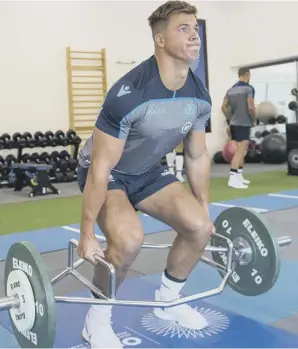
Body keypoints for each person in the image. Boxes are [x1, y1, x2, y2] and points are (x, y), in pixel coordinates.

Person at [76, 1, 215, 347]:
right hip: (108, 173)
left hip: (147, 171)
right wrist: (87, 233)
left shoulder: (198, 94)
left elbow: (197, 157)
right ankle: (96, 319)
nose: (193, 34)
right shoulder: (129, 93)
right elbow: (101, 166)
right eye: (182, 28)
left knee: (200, 228)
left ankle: (168, 300)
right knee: (128, 240)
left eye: (194, 28)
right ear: (160, 40)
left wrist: (203, 210)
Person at [221, 67, 256, 189]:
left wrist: (230, 118)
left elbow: (224, 107)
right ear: (247, 75)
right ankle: (232, 179)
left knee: (242, 151)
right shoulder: (249, 89)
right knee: (241, 151)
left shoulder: (230, 90)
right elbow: (251, 107)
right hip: (244, 123)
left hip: (234, 124)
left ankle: (239, 176)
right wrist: (254, 119)